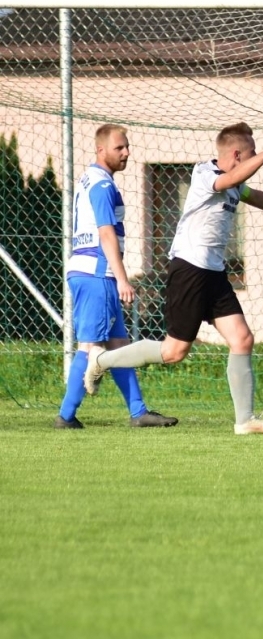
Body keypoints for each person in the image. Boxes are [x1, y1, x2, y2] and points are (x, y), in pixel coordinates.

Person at [87, 123, 263, 435]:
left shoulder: (235, 183)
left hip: (214, 273)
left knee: (242, 339)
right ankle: (101, 359)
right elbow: (230, 179)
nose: (253, 160)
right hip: (190, 270)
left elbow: (255, 195)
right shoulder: (205, 174)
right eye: (249, 153)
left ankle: (245, 421)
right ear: (236, 154)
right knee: (174, 352)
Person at [56, 124, 177, 429]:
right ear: (101, 150)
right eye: (119, 148)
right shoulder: (102, 185)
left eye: (127, 146)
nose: (126, 152)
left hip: (91, 272)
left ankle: (139, 412)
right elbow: (106, 233)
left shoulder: (90, 179)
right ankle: (66, 416)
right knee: (90, 347)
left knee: (120, 345)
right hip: (98, 273)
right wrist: (122, 278)